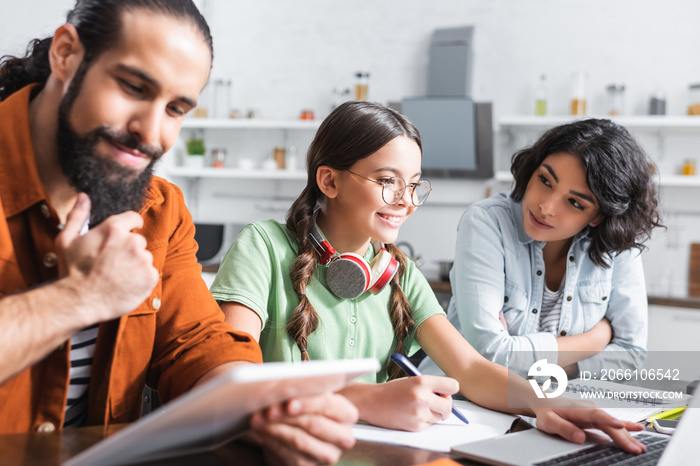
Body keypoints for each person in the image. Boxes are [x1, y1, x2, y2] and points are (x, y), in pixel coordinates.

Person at [0, 1, 357, 464]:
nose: (150, 132)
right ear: (66, 54)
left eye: (175, 108)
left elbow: (195, 342)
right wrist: (80, 297)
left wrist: (262, 409)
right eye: (132, 87)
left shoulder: (160, 209)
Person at [211, 101, 647, 454]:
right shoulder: (263, 245)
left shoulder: (400, 270)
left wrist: (551, 404)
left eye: (414, 184)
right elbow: (230, 381)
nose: (406, 201)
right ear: (329, 180)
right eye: (387, 181)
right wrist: (362, 399)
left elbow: (473, 369)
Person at [419, 118, 661, 380]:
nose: (546, 207)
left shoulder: (616, 245)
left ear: (598, 216)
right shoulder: (487, 221)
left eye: (574, 203)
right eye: (545, 180)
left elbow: (630, 354)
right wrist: (594, 340)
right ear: (532, 169)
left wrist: (535, 366)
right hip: (462, 404)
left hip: (554, 404)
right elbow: (490, 354)